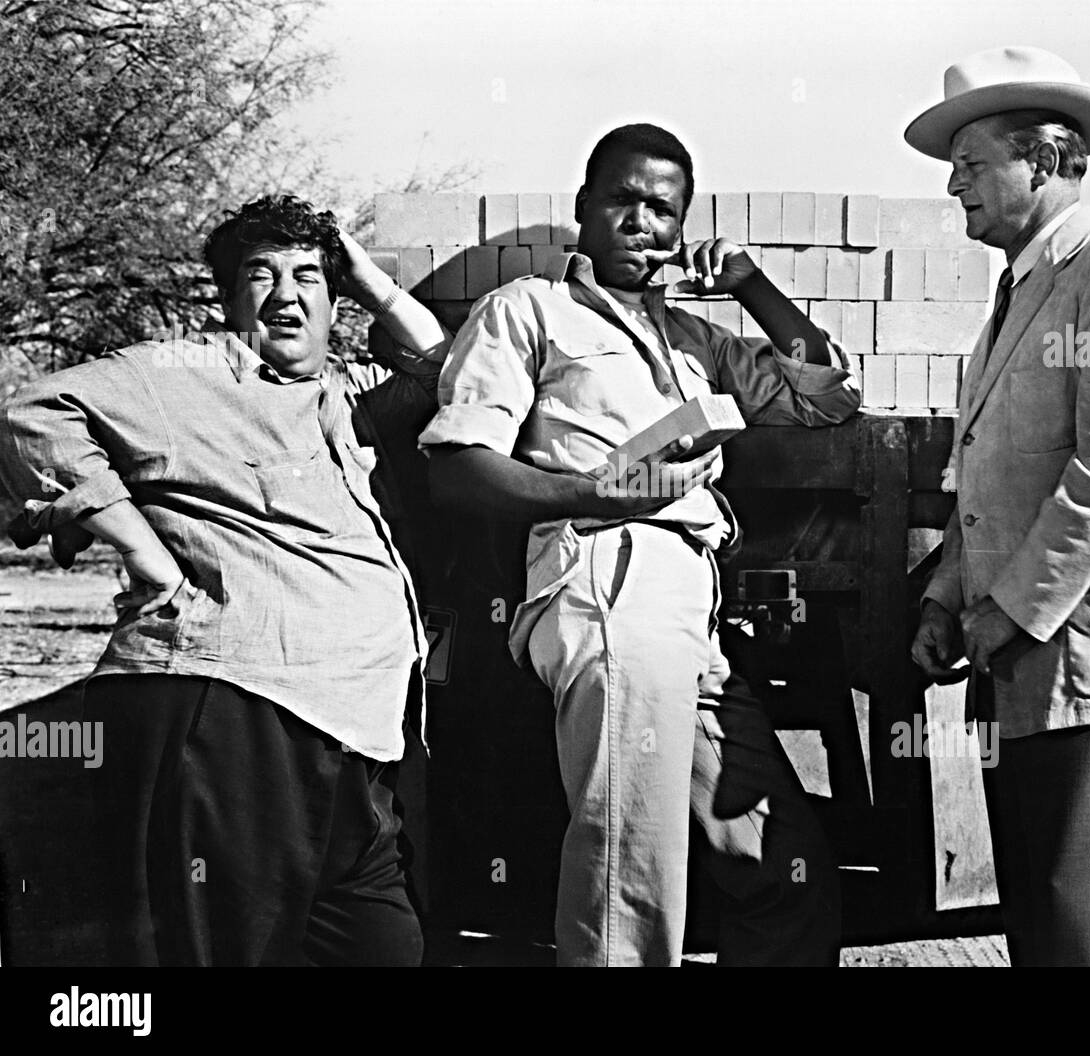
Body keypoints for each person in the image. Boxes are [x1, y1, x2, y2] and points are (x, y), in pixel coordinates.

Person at [422, 124, 855, 966]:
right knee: (631, 876)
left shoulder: (697, 341)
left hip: (694, 601)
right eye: (622, 200)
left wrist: (750, 285)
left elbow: (827, 397)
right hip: (604, 571)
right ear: (584, 209)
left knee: (785, 871)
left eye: (662, 209)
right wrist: (594, 494)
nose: (641, 222)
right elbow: (459, 469)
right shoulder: (526, 311)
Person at [0, 194, 452, 965]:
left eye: (309, 276)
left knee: (381, 948)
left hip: (356, 737)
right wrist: (137, 547)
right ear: (227, 295)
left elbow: (439, 365)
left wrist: (364, 277)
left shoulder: (342, 394)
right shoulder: (188, 373)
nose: (286, 295)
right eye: (260, 275)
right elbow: (30, 414)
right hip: (242, 713)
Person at [905, 47, 1090, 966]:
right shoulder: (1015, 298)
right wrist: (948, 597)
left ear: (1044, 160)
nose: (955, 182)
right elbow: (993, 482)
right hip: (1027, 666)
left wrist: (1009, 609)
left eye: (972, 160)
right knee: (1041, 927)